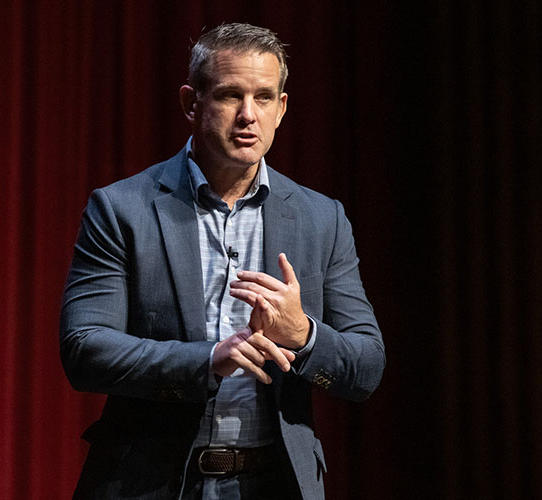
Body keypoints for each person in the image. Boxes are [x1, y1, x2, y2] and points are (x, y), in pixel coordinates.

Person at [60, 23, 385, 500]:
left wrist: (304, 336)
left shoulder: (322, 218)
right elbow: (84, 349)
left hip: (276, 484)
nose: (248, 116)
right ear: (192, 103)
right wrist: (206, 361)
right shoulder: (122, 208)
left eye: (265, 97)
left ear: (283, 108)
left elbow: (367, 365)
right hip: (152, 484)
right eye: (231, 95)